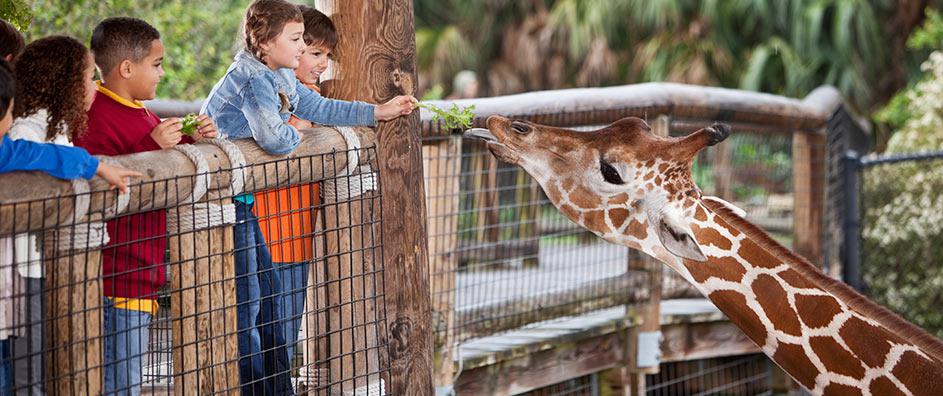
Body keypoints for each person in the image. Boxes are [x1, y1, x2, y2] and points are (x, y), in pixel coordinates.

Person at [202, 0, 415, 393]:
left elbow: (315, 104)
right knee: (245, 312)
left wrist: (376, 113)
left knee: (266, 306)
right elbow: (273, 137)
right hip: (219, 204)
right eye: (297, 40)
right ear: (265, 42)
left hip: (242, 202)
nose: (302, 49)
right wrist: (296, 131)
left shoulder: (278, 73)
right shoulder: (254, 78)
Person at [74, 17, 218, 395]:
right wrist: (154, 147)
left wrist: (190, 137)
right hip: (117, 274)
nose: (162, 72)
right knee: (120, 384)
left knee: (129, 379)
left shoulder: (140, 110)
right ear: (126, 68)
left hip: (143, 268)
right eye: (156, 64)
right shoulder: (96, 117)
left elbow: (146, 144)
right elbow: (101, 182)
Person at [0, 59, 139, 395]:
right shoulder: (17, 137)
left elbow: (32, 154)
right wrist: (98, 167)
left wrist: (94, 165)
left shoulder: (10, 146)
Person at [6, 35, 101, 395]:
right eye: (90, 77)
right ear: (65, 82)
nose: (95, 86)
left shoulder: (57, 128)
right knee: (30, 373)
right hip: (28, 271)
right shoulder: (26, 128)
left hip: (56, 266)